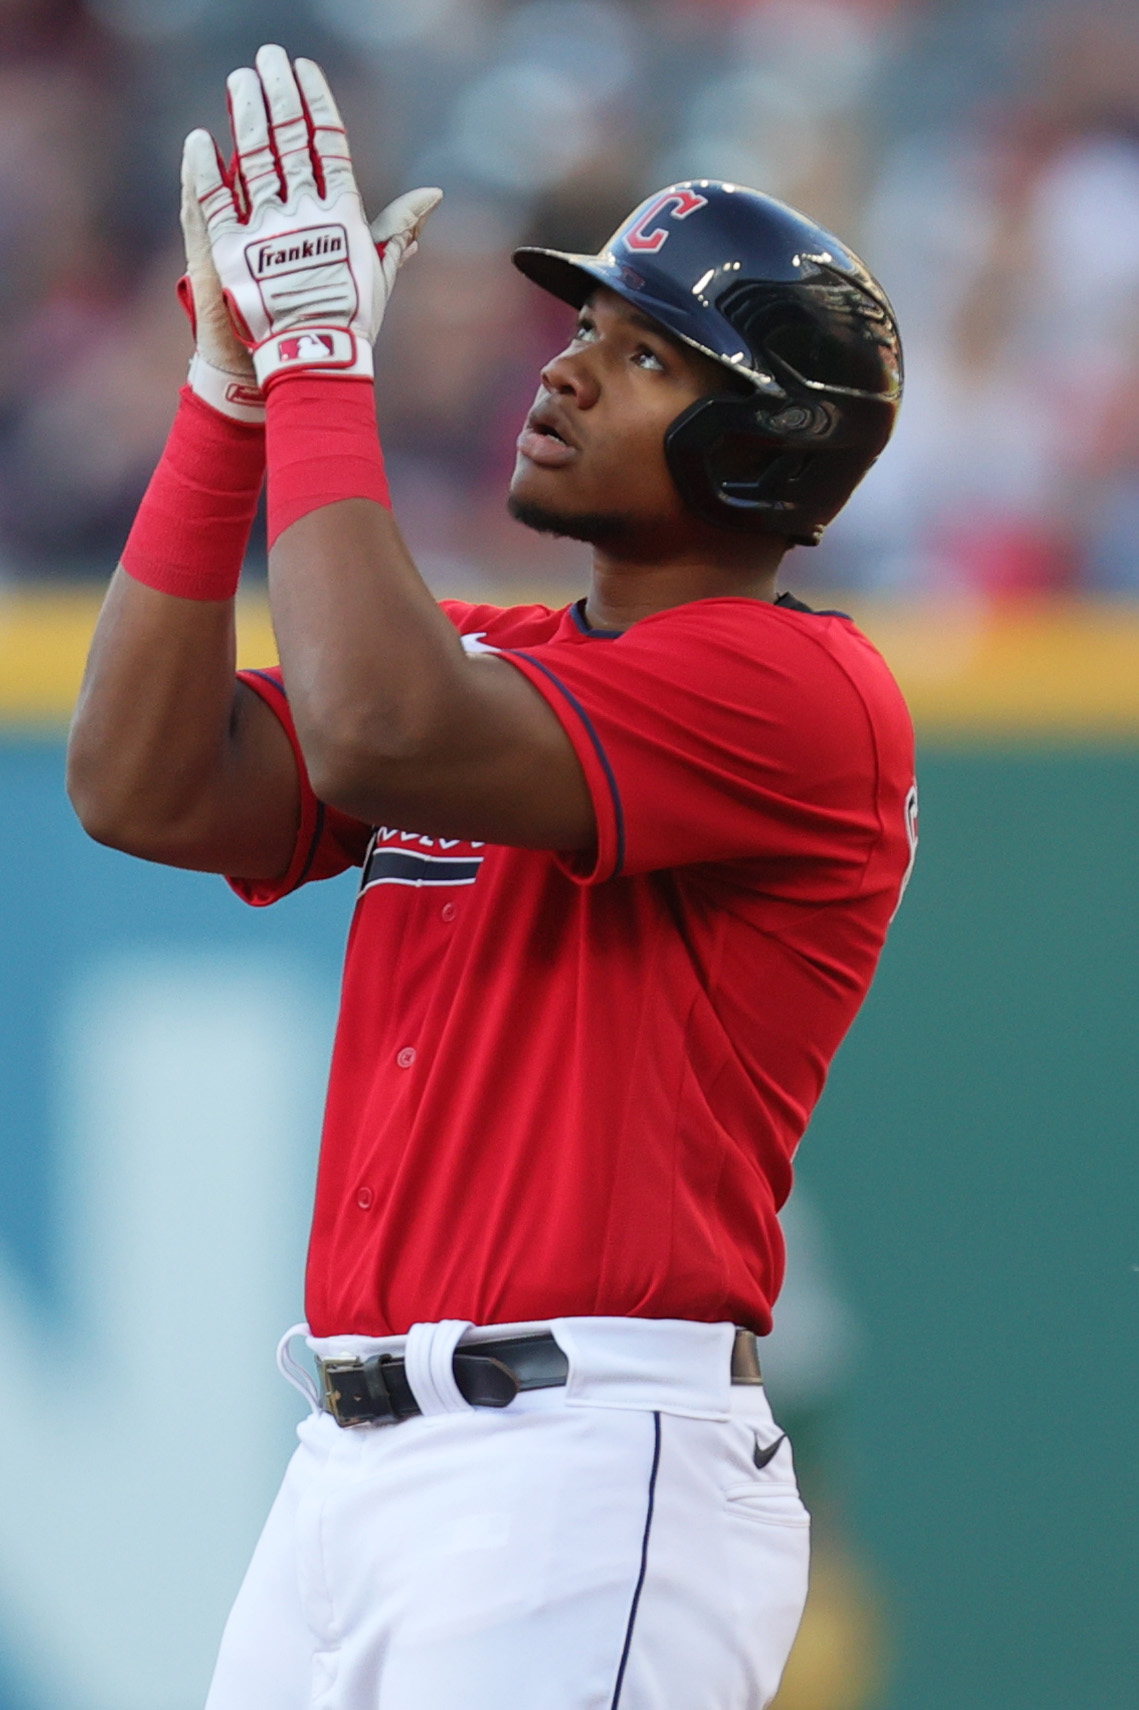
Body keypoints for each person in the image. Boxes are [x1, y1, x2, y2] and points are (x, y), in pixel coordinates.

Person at [66, 44, 916, 1710]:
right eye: (586, 327)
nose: (573, 368)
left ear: (760, 437)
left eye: (649, 354)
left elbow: (379, 728)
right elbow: (140, 782)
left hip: (584, 1470)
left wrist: (324, 367)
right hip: (351, 1472)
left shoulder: (801, 693)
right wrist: (230, 405)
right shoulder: (494, 658)